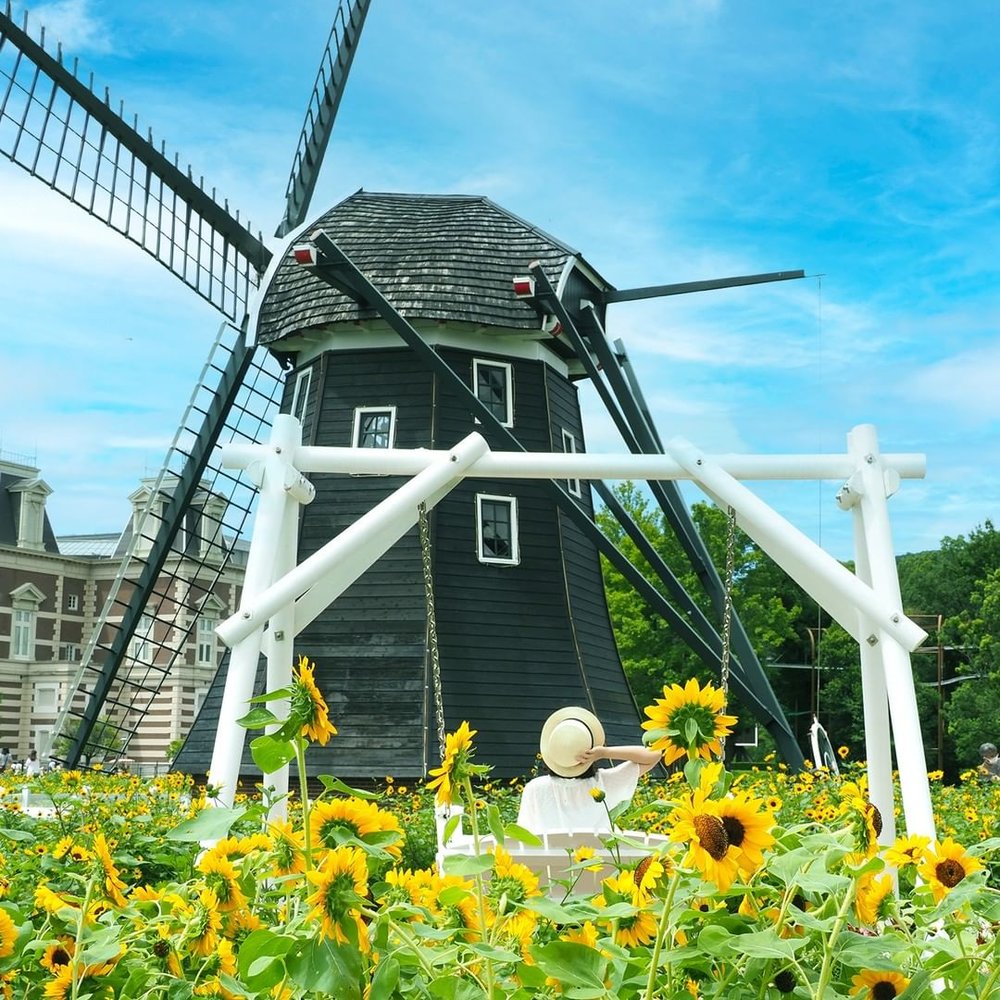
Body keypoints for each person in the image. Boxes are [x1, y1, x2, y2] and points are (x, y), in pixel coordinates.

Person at [517, 706, 661, 834]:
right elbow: (654, 754)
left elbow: (523, 836)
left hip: (548, 864)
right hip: (602, 863)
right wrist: (605, 752)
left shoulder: (535, 789)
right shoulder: (605, 783)